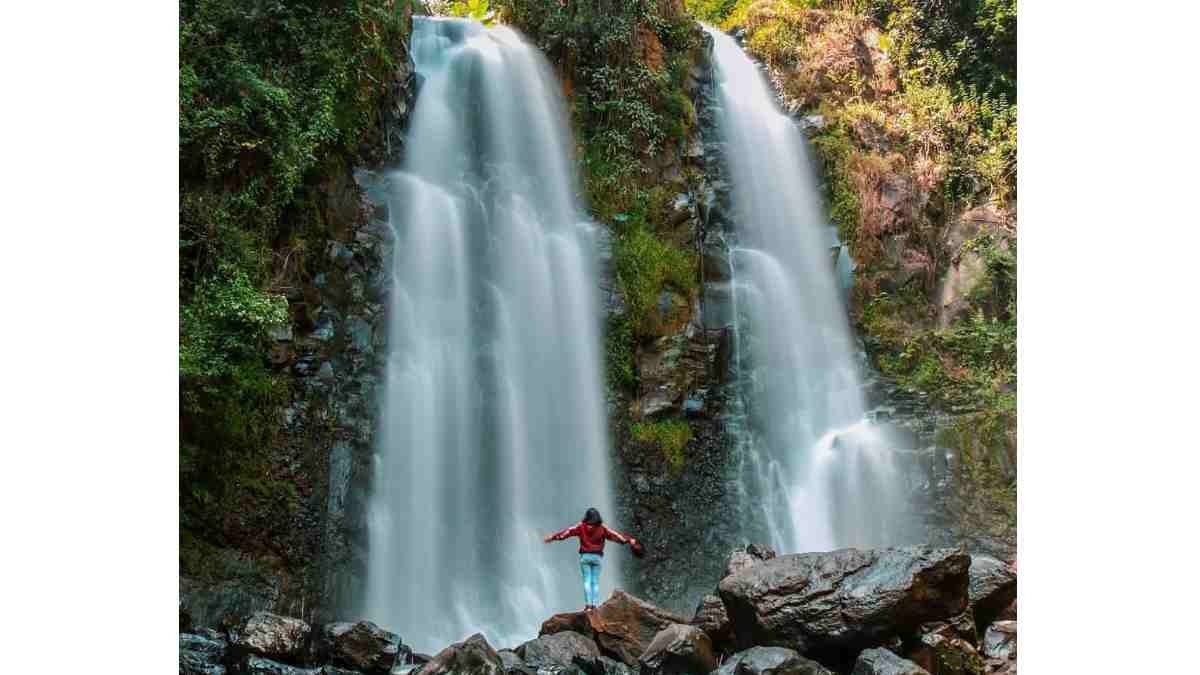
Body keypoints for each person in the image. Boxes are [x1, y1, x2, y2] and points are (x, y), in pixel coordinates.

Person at [544, 507, 638, 611]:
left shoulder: (581, 527)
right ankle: (594, 605)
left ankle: (588, 605)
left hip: (585, 557)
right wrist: (629, 540)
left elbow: (566, 533)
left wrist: (553, 537)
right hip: (597, 558)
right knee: (595, 582)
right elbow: (616, 536)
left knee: (587, 581)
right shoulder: (602, 528)